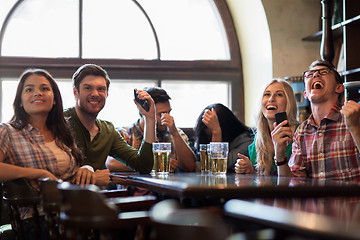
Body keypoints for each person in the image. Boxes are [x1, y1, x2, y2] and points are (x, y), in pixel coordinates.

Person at [0, 69, 94, 239]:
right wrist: (39, 174)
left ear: (55, 99)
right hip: (37, 221)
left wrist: (87, 168)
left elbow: (73, 174)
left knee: (127, 221)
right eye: (29, 89)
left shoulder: (62, 134)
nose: (38, 93)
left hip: (74, 212)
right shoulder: (7, 131)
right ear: (20, 101)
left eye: (44, 88)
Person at [64, 64, 156, 185]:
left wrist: (150, 119)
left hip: (100, 199)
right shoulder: (61, 122)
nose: (95, 94)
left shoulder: (108, 130)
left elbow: (143, 166)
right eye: (88, 88)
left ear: (107, 94)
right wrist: (93, 178)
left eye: (101, 89)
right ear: (75, 92)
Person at [276, 60, 360, 181]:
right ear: (305, 94)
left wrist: (356, 129)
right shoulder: (301, 131)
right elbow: (293, 184)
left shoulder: (354, 117)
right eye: (310, 74)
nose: (316, 75)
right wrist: (280, 155)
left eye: (324, 72)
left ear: (339, 88)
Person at [106, 87, 196, 172]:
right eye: (161, 114)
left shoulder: (175, 133)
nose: (166, 117)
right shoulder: (125, 133)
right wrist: (156, 163)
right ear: (145, 112)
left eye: (168, 112)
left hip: (166, 187)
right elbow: (111, 163)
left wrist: (175, 133)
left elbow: (190, 166)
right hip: (133, 188)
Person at [235, 79, 299, 175]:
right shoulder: (258, 138)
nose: (271, 99)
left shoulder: (300, 133)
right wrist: (250, 170)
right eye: (267, 94)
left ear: (289, 102)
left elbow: (296, 180)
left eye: (279, 95)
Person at [194, 103, 254, 173]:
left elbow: (218, 166)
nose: (210, 138)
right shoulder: (204, 135)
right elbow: (198, 164)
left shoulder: (247, 141)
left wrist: (216, 133)